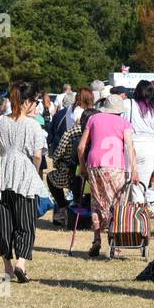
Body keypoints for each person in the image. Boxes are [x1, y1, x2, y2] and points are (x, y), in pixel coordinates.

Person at [0, 81, 47, 282]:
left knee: (4, 223)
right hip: (24, 174)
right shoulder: (32, 125)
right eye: (35, 101)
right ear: (26, 102)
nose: (36, 105)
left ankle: (7, 266)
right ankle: (20, 263)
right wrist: (36, 171)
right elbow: (38, 155)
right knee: (25, 222)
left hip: (1, 173)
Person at [78, 94, 136, 258]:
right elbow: (130, 147)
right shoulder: (125, 123)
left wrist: (83, 167)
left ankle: (97, 240)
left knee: (97, 202)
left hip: (95, 164)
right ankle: (115, 244)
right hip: (116, 165)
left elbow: (81, 147)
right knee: (117, 203)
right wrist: (134, 170)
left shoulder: (93, 119)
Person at [47, 87, 96, 222]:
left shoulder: (70, 114)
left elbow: (61, 149)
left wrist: (56, 160)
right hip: (92, 164)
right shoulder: (96, 115)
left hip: (72, 164)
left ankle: (63, 207)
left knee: (52, 178)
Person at [122, 80, 154, 201]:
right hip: (150, 147)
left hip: (131, 143)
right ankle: (137, 213)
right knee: (142, 184)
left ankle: (126, 213)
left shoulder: (127, 104)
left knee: (126, 182)